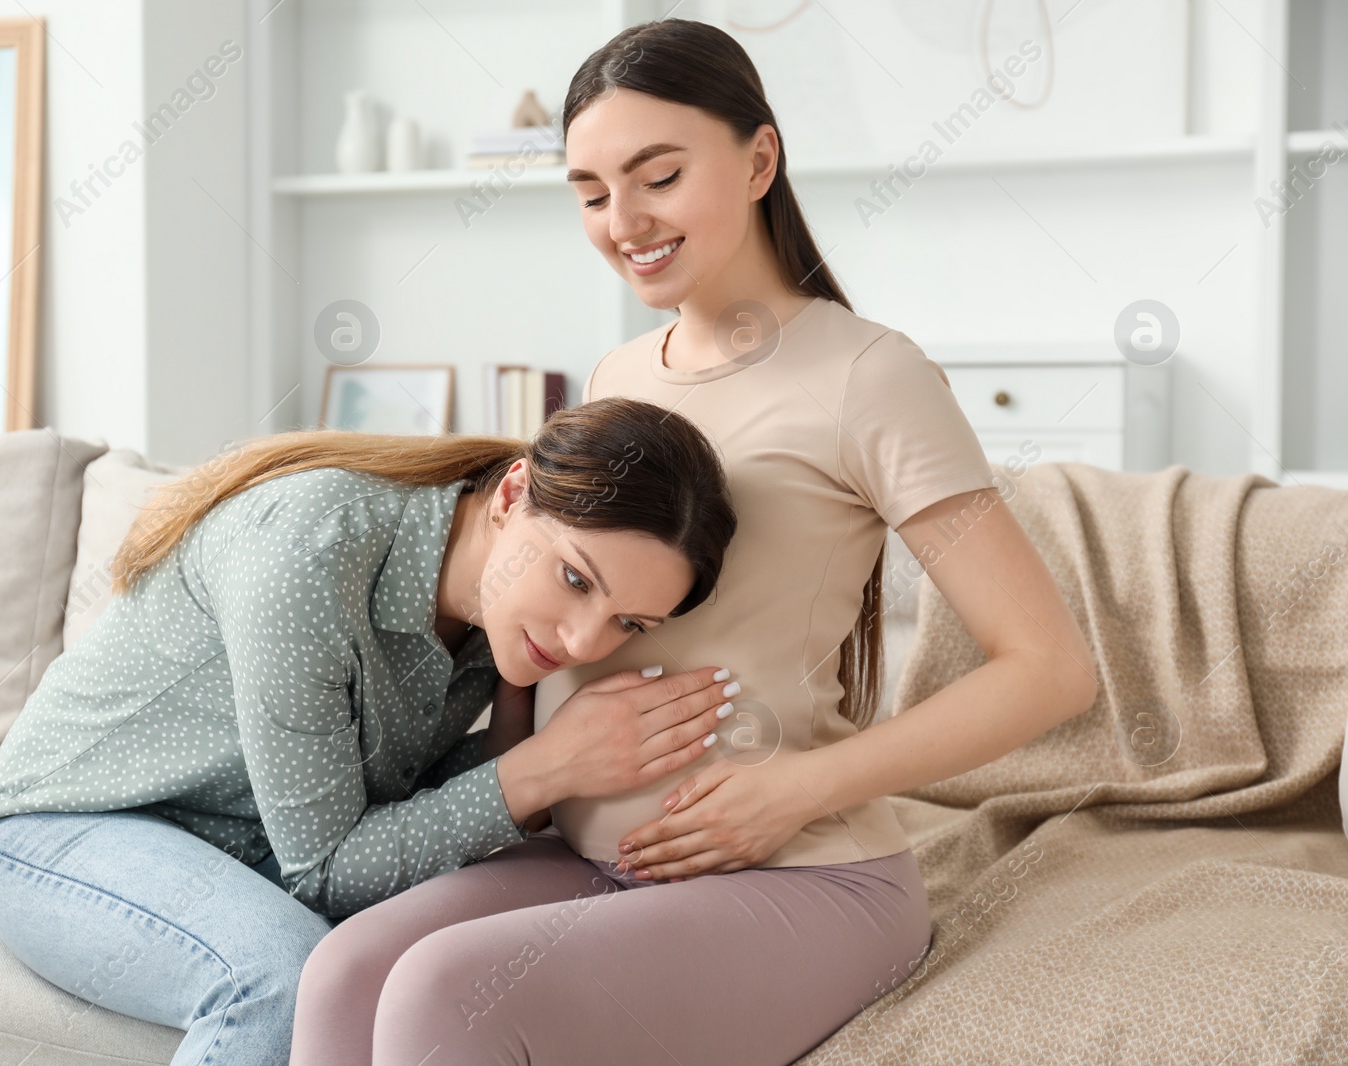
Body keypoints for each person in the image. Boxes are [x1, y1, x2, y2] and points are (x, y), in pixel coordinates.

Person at [289, 19, 1099, 1066]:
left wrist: (798, 788)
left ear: (759, 159)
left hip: (799, 877)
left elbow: (1050, 669)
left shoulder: (872, 378)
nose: (622, 220)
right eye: (588, 192)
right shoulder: (620, 374)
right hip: (589, 856)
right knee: (344, 970)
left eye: (657, 175)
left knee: (448, 997)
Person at [0, 394, 741, 1066]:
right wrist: (545, 770)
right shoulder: (309, 554)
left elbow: (395, 800)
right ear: (511, 496)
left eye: (628, 623)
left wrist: (526, 720)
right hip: (70, 822)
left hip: (246, 841)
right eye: (574, 579)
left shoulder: (489, 610)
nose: (582, 643)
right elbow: (327, 868)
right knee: (283, 979)